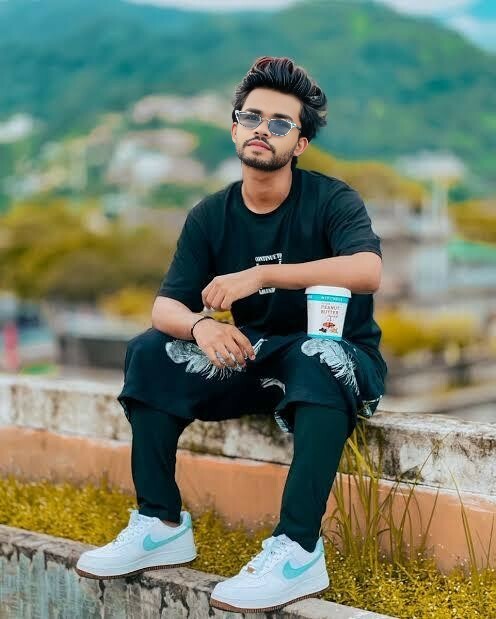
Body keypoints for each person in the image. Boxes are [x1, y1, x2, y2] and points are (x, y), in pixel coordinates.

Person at [76, 56, 387, 613]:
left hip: (338, 361)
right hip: (255, 359)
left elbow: (367, 270)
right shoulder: (210, 215)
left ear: (300, 142)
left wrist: (262, 275)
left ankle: (297, 551)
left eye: (280, 123)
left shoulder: (331, 199)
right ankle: (159, 523)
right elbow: (165, 305)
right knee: (149, 351)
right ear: (235, 128)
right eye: (252, 117)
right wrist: (200, 326)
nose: (263, 129)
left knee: (316, 353)